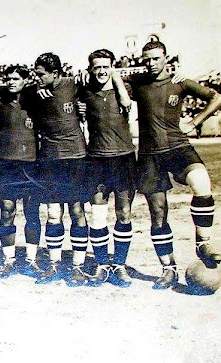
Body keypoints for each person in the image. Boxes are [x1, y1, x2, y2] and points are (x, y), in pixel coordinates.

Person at [127, 41, 221, 289]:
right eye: (146, 59)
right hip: (150, 154)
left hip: (178, 147)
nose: (151, 63)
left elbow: (217, 98)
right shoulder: (138, 84)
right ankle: (168, 268)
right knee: (158, 214)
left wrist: (195, 122)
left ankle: (202, 242)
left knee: (202, 182)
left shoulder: (180, 82)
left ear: (166, 58)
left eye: (156, 59)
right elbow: (111, 84)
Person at [29, 53, 90, 286]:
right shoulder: (36, 91)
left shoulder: (73, 84)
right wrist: (35, 90)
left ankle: (78, 266)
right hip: (50, 158)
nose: (37, 77)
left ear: (55, 73)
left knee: (76, 211)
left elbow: (98, 85)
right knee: (53, 213)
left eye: (41, 74)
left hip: (75, 156)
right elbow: (14, 88)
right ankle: (54, 263)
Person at [79, 49, 134, 287]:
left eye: (106, 66)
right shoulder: (83, 92)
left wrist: (119, 83)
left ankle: (119, 265)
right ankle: (102, 265)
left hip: (123, 158)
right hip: (97, 159)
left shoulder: (126, 90)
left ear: (112, 68)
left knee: (123, 212)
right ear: (90, 68)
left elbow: (131, 97)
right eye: (96, 67)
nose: (101, 71)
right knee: (98, 215)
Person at [0, 65, 43, 279]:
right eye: (8, 78)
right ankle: (8, 261)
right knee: (7, 212)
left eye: (16, 78)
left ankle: (31, 260)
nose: (12, 82)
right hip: (5, 164)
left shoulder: (34, 99)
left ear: (25, 80)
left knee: (32, 213)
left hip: (30, 163)